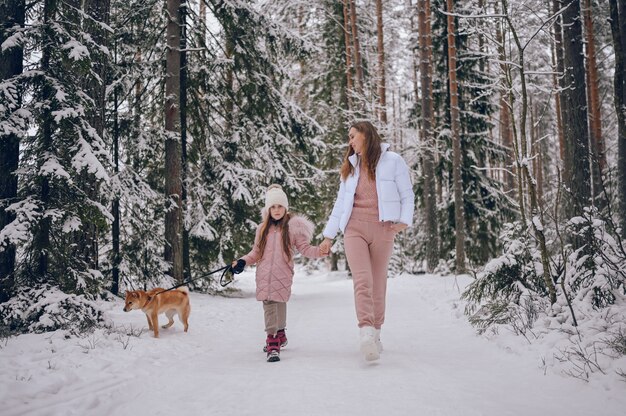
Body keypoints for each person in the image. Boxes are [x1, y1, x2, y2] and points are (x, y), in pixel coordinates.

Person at [319, 121, 414, 361]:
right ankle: (365, 332)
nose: (350, 141)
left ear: (365, 134)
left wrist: (404, 220)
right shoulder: (351, 167)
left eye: (352, 136)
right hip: (354, 229)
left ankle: (377, 332)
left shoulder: (393, 161)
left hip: (383, 229)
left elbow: (407, 194)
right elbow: (340, 204)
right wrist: (328, 236)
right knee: (362, 280)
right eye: (349, 137)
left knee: (378, 282)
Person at [231, 184, 327, 362]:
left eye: (280, 206)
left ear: (286, 207)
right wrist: (243, 261)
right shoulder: (262, 229)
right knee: (270, 303)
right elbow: (256, 252)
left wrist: (320, 251)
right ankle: (274, 337)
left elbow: (305, 248)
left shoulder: (292, 228)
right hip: (264, 273)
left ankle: (276, 337)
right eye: (273, 207)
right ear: (268, 209)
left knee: (279, 301)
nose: (276, 210)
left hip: (283, 273)